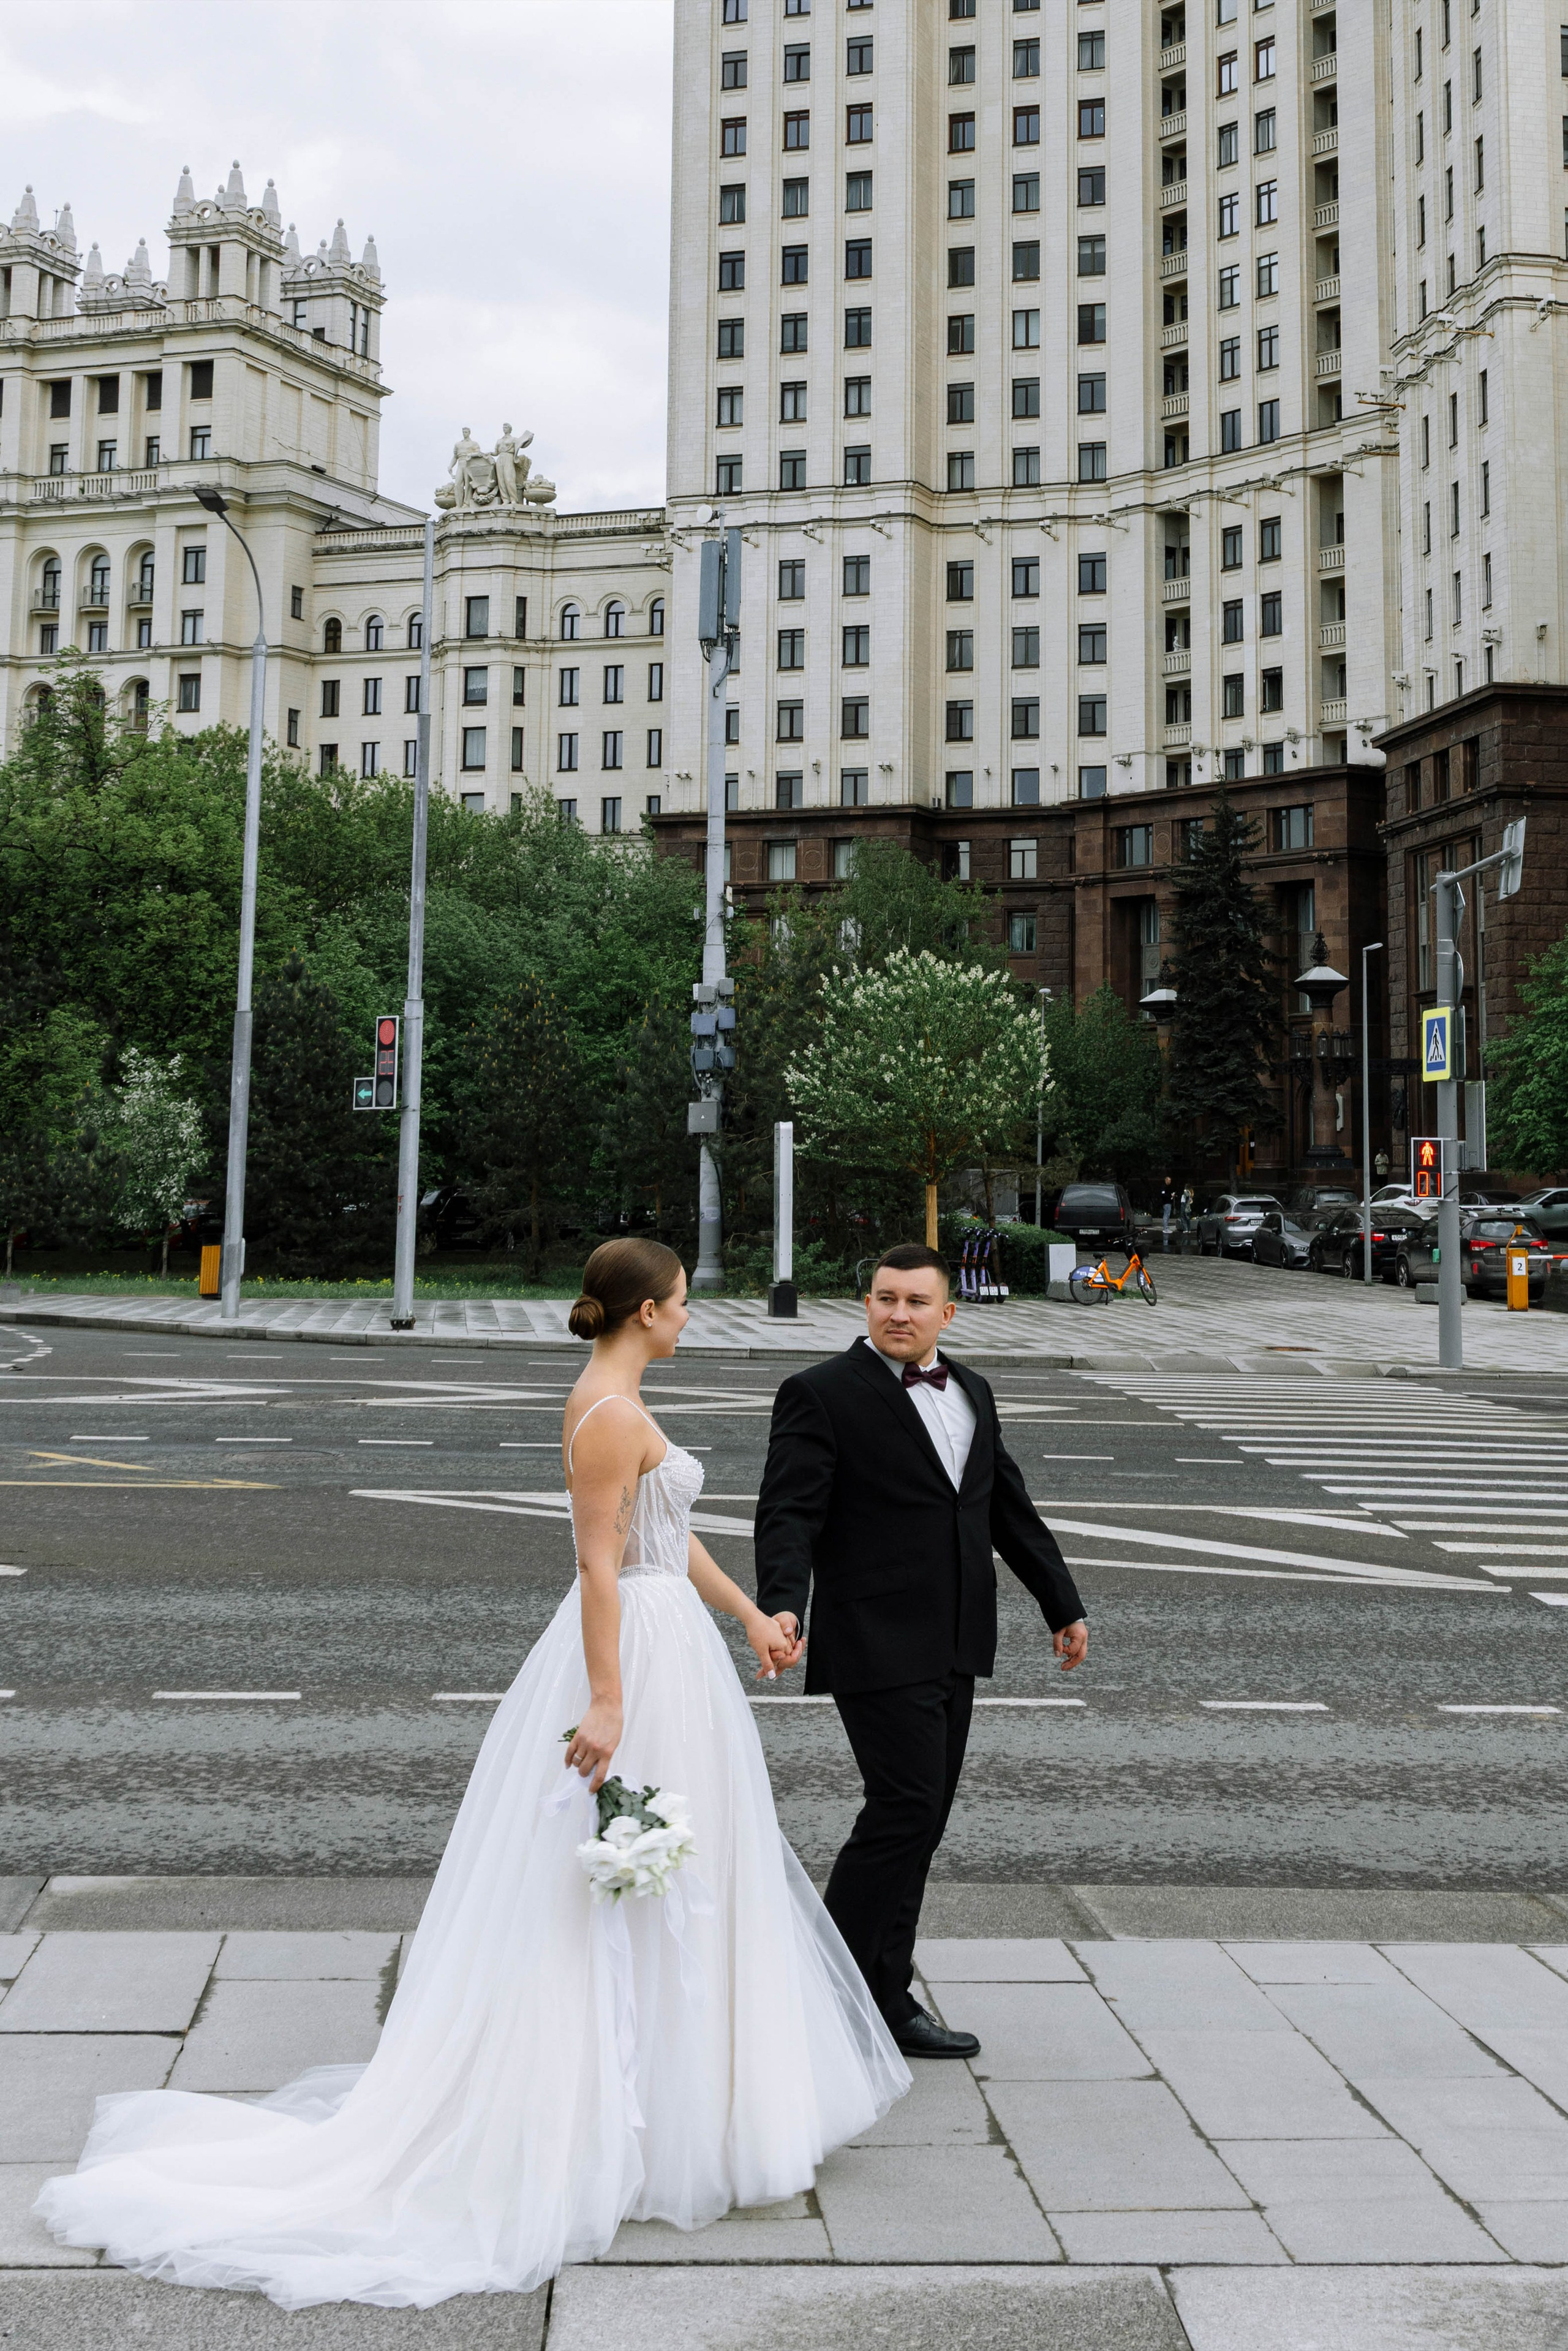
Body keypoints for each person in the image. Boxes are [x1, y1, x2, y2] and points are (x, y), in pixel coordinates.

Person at [36, 1239, 908, 2309]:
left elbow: (660, 1534)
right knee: (626, 1870)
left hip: (672, 1644)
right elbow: (597, 1562)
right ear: (642, 1311)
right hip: (632, 1654)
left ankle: (678, 2101)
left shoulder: (619, 1400)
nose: (689, 1319)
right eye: (681, 1305)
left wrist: (750, 1617)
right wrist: (607, 1698)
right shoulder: (608, 1413)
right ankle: (621, 2112)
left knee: (683, 1867)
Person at [753, 1243, 1087, 2059]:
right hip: (872, 1634)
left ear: (948, 1312)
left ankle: (886, 1993)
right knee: (903, 1806)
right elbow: (788, 1512)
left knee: (923, 1817)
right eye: (884, 1297)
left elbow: (1007, 1505)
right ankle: (824, 1990)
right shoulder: (821, 1394)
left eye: (915, 1300)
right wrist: (783, 1605)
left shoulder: (971, 1389)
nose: (898, 1312)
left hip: (957, 1634)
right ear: (866, 1303)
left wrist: (1061, 1601)